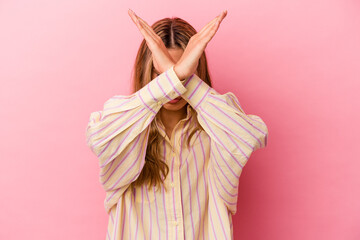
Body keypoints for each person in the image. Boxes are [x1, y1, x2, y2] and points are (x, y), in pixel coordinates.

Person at [85, 9, 268, 240]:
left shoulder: (217, 126)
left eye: (184, 70)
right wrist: (175, 76)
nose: (173, 86)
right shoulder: (123, 122)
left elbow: (252, 136)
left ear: (196, 69)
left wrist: (183, 78)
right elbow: (98, 138)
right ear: (146, 73)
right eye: (160, 73)